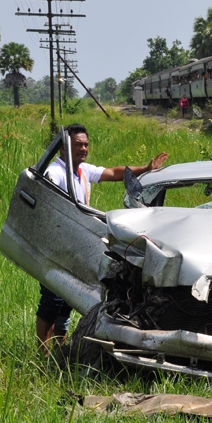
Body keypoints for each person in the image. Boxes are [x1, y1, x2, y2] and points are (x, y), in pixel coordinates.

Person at [39, 124, 169, 351]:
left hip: (76, 244)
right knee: (52, 298)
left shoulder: (82, 171)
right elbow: (49, 204)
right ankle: (42, 348)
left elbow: (112, 173)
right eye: (78, 144)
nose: (83, 148)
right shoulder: (55, 173)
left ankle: (58, 347)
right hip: (58, 244)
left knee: (68, 299)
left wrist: (145, 168)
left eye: (86, 144)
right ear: (62, 148)